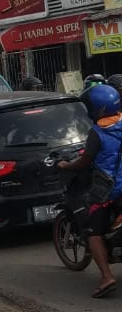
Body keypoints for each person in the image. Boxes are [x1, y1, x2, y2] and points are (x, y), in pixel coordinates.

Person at [58, 83, 122, 298]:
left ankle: (106, 277)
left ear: (98, 110)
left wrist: (66, 165)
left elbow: (85, 161)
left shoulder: (97, 133)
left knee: (93, 231)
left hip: (109, 189)